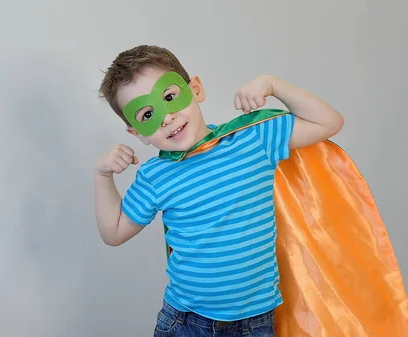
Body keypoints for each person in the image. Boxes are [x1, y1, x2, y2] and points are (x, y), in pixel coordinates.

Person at [93, 45, 344, 336]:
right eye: (147, 115)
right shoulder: (155, 176)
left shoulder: (252, 139)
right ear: (137, 133)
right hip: (187, 321)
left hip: (257, 321)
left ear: (196, 89)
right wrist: (102, 175)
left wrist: (274, 84)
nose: (167, 118)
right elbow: (114, 233)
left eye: (170, 97)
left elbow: (329, 122)